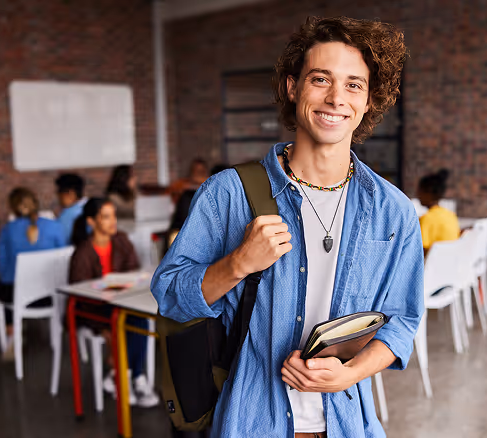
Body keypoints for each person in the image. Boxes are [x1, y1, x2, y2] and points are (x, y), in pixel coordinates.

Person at [151, 16, 424, 438]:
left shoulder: (394, 211)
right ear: (293, 87)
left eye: (354, 84)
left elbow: (402, 322)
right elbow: (170, 295)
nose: (336, 98)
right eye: (321, 79)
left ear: (369, 100)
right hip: (251, 421)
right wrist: (238, 264)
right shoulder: (229, 194)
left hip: (348, 423)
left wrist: (349, 375)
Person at [69, 197, 155, 407]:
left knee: (139, 320)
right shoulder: (83, 253)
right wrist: (102, 330)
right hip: (94, 311)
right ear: (91, 222)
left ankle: (127, 376)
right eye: (106, 217)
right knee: (128, 322)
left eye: (114, 216)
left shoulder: (122, 240)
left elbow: (135, 271)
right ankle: (126, 378)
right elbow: (80, 298)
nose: (113, 221)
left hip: (121, 303)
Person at [0, 187, 65, 360]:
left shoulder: (7, 231)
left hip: (19, 296)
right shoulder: (56, 227)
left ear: (13, 208)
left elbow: (3, 271)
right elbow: (63, 261)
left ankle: (12, 331)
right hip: (52, 294)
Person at [417, 169, 460, 256]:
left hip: (430, 267)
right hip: (448, 263)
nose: (417, 194)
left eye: (419, 191)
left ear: (428, 193)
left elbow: (420, 251)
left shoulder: (426, 219)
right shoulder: (451, 215)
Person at [55, 173, 87, 244]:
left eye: (59, 192)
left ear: (71, 193)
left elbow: (61, 240)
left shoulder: (68, 214)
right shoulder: (91, 206)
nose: (58, 197)